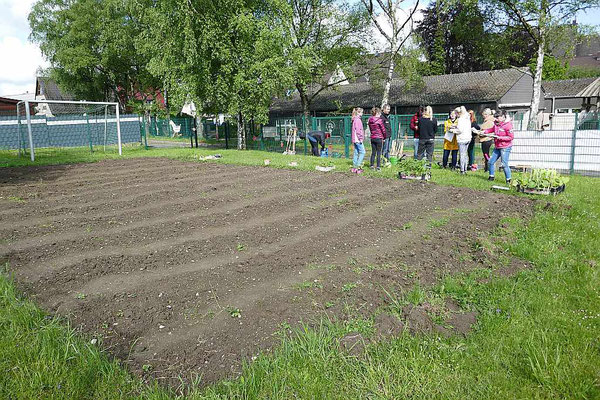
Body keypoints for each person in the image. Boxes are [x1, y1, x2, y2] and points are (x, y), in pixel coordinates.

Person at [484, 109, 514, 183]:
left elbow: (511, 137)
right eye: (495, 117)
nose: (496, 119)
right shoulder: (496, 124)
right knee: (490, 162)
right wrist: (484, 131)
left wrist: (499, 137)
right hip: (497, 146)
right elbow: (492, 129)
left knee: (504, 164)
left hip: (505, 147)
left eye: (498, 118)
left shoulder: (508, 125)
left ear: (503, 117)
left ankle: (508, 180)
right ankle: (491, 177)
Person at [454, 106, 472, 174]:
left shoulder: (460, 119)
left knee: (462, 154)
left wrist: (453, 131)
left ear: (459, 113)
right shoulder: (467, 118)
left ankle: (462, 170)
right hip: (468, 138)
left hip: (462, 139)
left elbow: (460, 130)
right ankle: (465, 169)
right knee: (465, 154)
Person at [351, 107, 366, 173]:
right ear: (359, 112)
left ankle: (354, 167)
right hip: (358, 139)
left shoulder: (355, 119)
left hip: (355, 139)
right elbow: (358, 131)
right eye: (362, 112)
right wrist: (360, 138)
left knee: (356, 152)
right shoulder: (358, 120)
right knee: (363, 152)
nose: (362, 113)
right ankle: (358, 166)